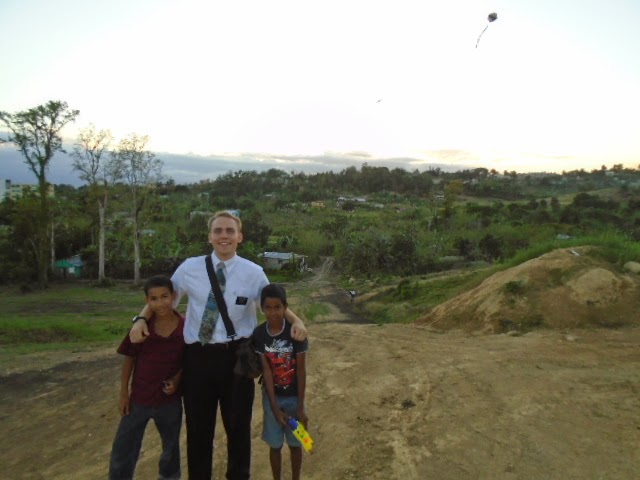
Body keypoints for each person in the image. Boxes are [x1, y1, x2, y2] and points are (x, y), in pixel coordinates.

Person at [129, 211, 307, 480]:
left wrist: (297, 321)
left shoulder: (253, 273)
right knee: (198, 429)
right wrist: (141, 319)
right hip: (198, 358)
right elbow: (164, 298)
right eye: (218, 231)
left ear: (240, 237)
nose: (224, 236)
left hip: (237, 359)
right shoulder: (189, 268)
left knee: (238, 428)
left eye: (230, 231)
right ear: (210, 237)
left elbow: (273, 302)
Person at [109, 275, 185, 480]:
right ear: (147, 301)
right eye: (154, 299)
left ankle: (169, 476)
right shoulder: (141, 328)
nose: (160, 303)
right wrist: (124, 393)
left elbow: (187, 362)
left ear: (174, 296)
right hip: (139, 399)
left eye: (164, 296)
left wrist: (177, 380)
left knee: (170, 446)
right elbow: (129, 359)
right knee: (124, 445)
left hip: (169, 402)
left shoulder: (185, 328)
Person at [254, 284, 309, 480]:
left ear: (285, 307)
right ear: (262, 308)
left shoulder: (296, 333)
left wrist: (300, 407)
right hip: (272, 399)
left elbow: (301, 371)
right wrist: (275, 409)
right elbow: (267, 372)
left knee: (296, 444)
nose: (272, 312)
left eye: (277, 307)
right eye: (267, 307)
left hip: (294, 397)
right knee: (275, 445)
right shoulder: (259, 334)